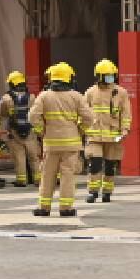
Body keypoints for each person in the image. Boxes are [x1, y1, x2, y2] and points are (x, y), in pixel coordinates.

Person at [29, 62, 93, 217]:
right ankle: (66, 208)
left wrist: (41, 130)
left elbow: (32, 117)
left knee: (47, 175)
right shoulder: (77, 96)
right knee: (68, 176)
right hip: (71, 143)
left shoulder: (44, 96)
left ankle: (44, 207)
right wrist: (80, 130)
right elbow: (89, 118)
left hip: (50, 143)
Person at [83, 59, 131, 204]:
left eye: (112, 75)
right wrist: (83, 128)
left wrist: (125, 129)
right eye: (107, 75)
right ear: (99, 76)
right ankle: (93, 192)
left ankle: (107, 192)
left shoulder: (120, 92)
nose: (110, 78)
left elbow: (126, 113)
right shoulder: (90, 92)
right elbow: (83, 112)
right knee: (95, 164)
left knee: (110, 165)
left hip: (113, 135)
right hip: (95, 135)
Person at [0, 72, 40, 188]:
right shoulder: (32, 97)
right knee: (34, 157)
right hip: (30, 130)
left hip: (14, 130)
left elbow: (3, 114)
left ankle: (21, 180)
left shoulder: (6, 98)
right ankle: (38, 180)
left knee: (19, 157)